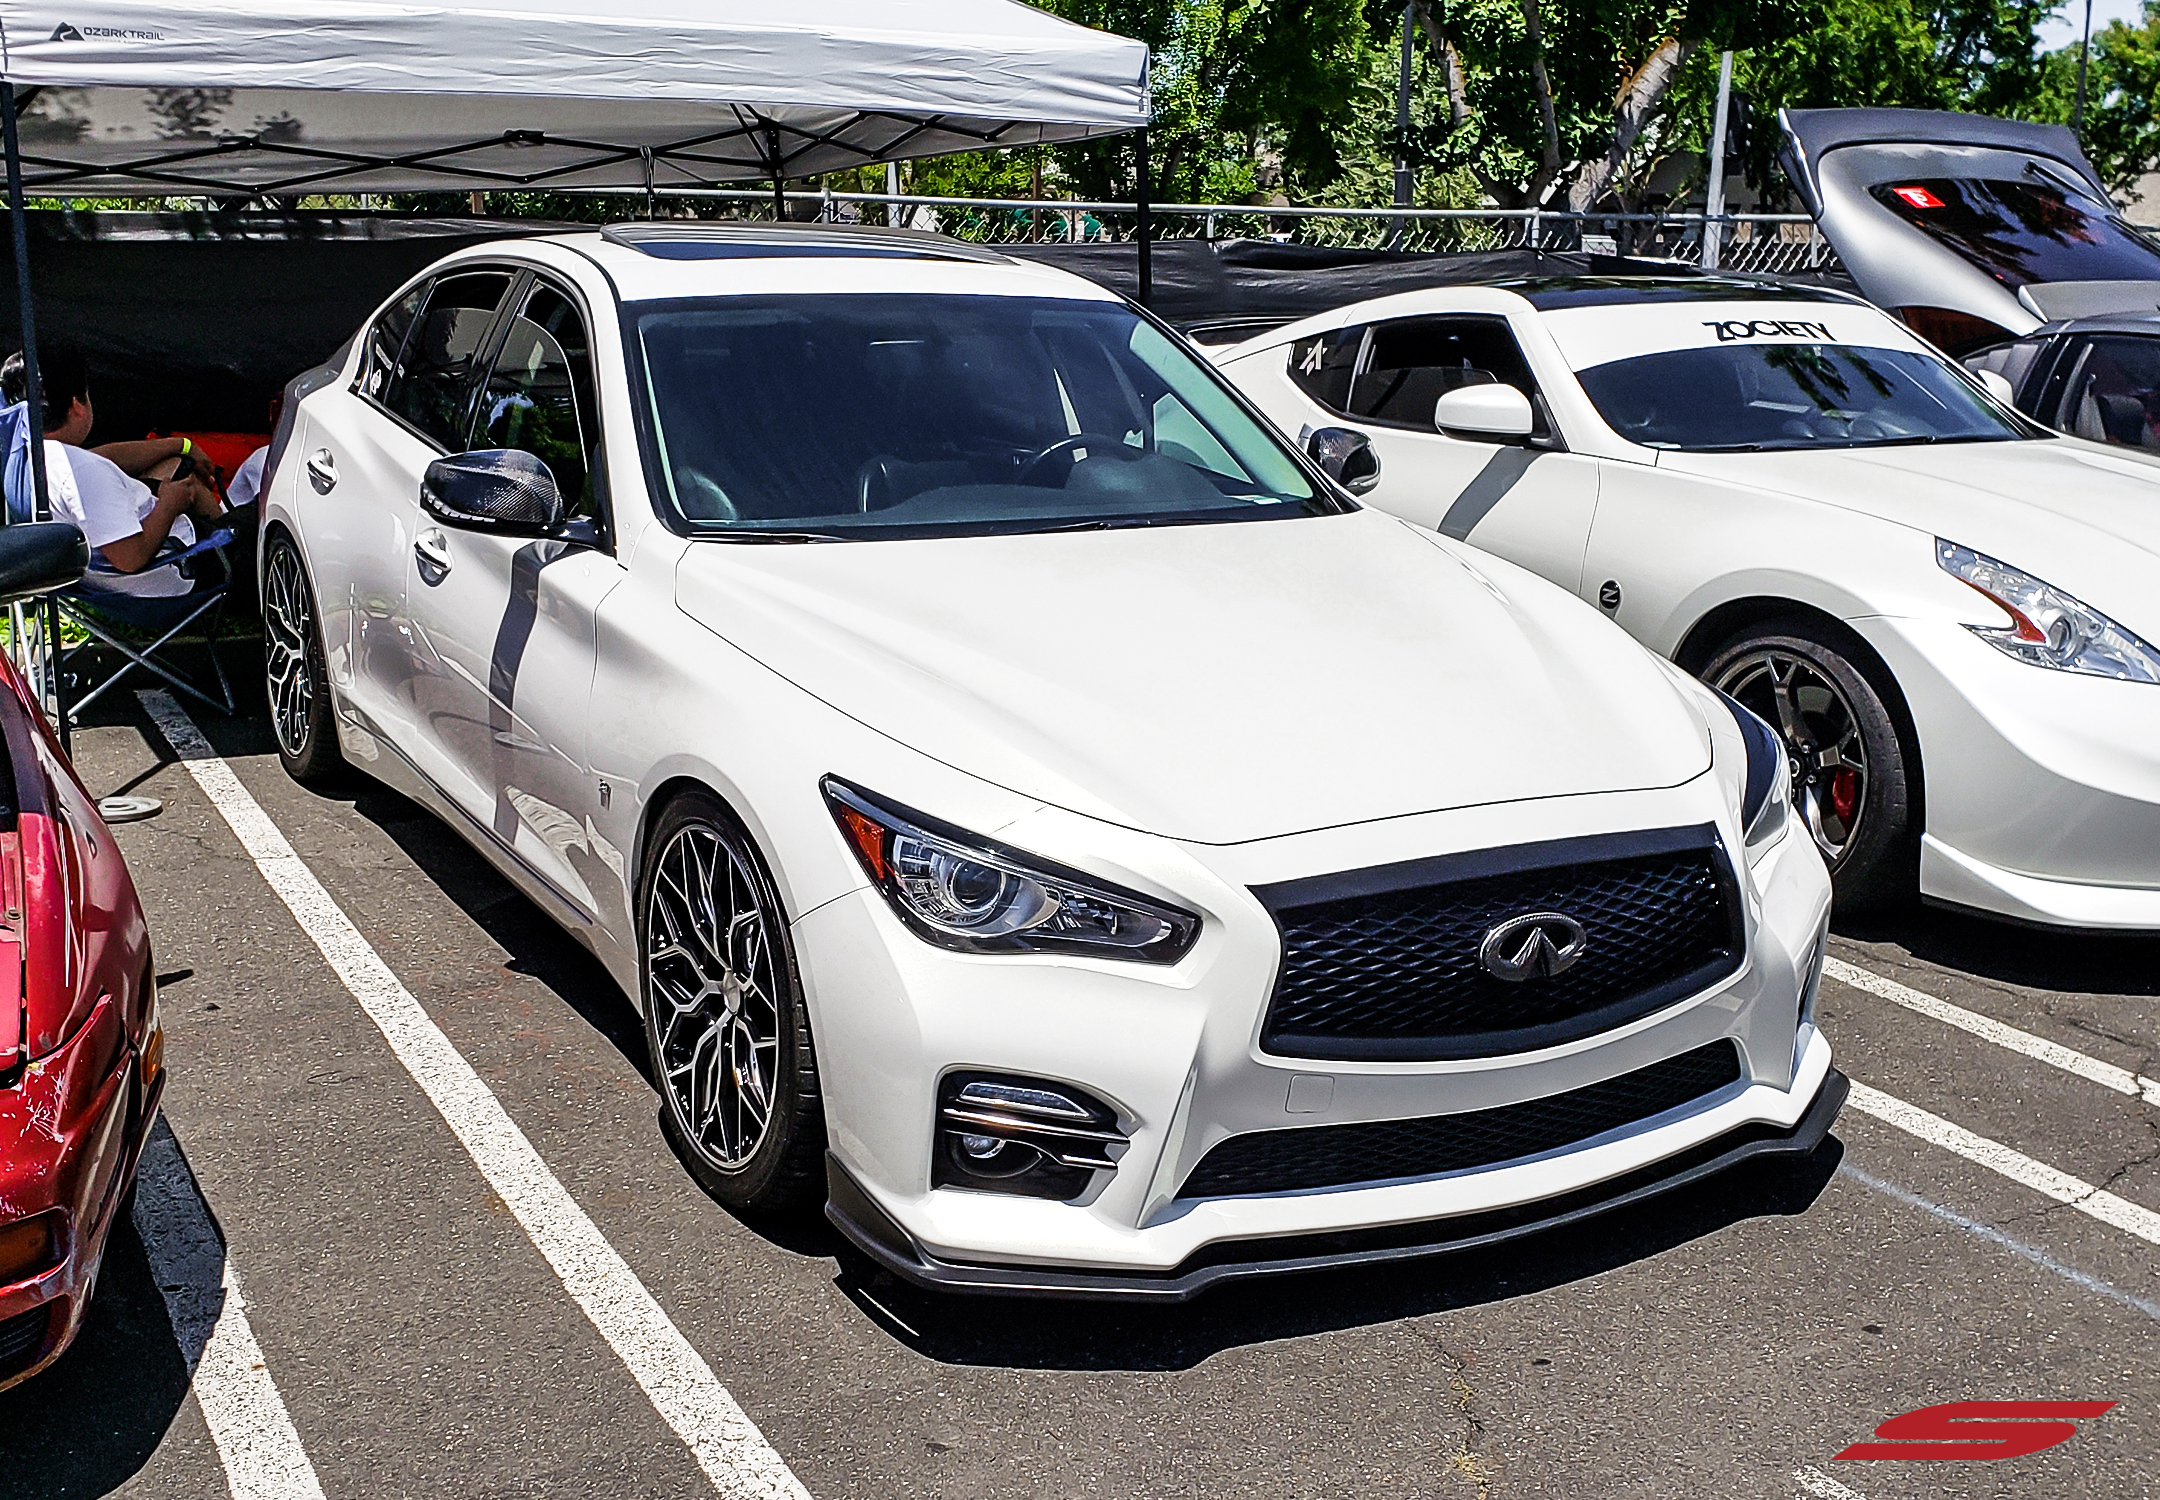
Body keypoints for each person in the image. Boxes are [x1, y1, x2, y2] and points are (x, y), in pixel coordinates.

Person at [2, 349, 233, 599]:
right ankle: (232, 543)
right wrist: (169, 505)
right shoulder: (84, 474)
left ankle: (224, 524)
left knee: (175, 465)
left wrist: (181, 445)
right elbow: (130, 559)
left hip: (96, 580)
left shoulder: (30, 456)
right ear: (77, 406)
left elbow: (104, 458)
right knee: (257, 519)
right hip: (178, 568)